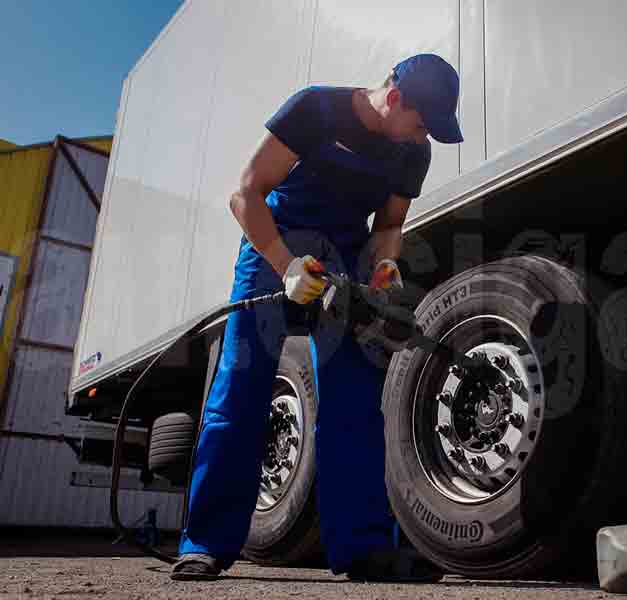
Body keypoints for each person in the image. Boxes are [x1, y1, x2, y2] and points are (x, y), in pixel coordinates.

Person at [170, 53, 463, 581]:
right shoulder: (315, 110)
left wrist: (386, 263)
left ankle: (362, 547)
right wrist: (285, 268)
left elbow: (390, 222)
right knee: (241, 389)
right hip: (274, 247)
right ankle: (206, 542)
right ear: (394, 98)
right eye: (421, 124)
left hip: (344, 262)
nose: (423, 138)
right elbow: (246, 193)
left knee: (353, 398)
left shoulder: (413, 152)